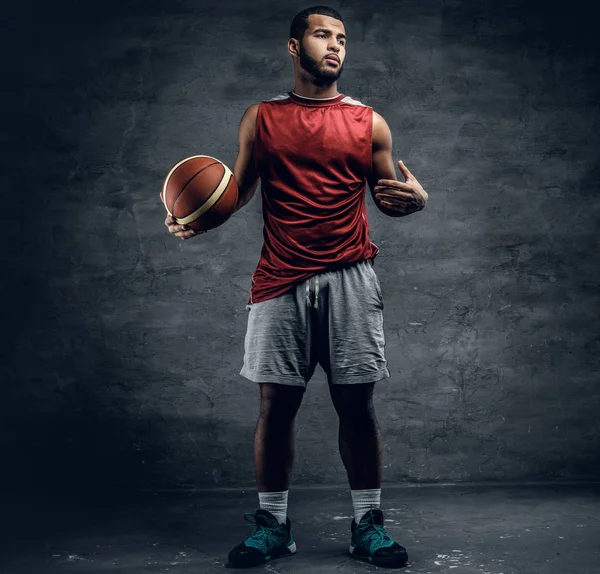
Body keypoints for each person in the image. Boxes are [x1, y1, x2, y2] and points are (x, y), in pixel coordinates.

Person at [164, 5, 428, 569]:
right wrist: (192, 217)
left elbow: (390, 196)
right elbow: (235, 190)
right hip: (280, 276)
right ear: (293, 46)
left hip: (350, 276)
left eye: (341, 38)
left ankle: (368, 525)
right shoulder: (260, 118)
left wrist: (418, 201)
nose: (335, 46)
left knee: (356, 404)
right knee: (275, 405)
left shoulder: (369, 122)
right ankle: (274, 526)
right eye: (321, 35)